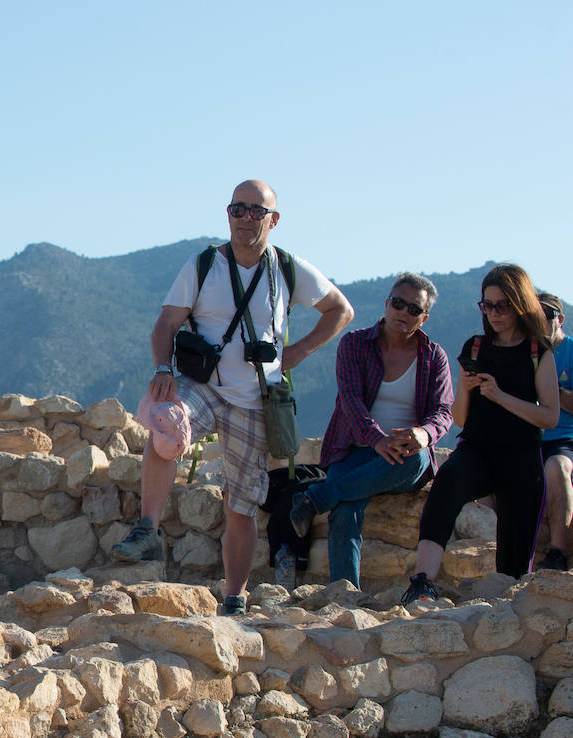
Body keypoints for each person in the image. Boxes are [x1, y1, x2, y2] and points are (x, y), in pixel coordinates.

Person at [109, 180, 354, 616]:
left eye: (256, 212)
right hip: (203, 385)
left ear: (273, 220)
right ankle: (147, 528)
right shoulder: (204, 264)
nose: (245, 219)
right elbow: (165, 325)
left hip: (256, 398)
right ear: (227, 214)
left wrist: (296, 352)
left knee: (240, 504)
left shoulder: (287, 270)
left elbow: (341, 310)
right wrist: (163, 369)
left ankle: (235, 596)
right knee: (164, 420)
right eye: (237, 210)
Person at [401, 265, 559, 602]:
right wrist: (466, 387)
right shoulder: (474, 347)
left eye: (502, 305)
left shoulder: (538, 352)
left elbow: (549, 416)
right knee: (446, 487)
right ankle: (422, 581)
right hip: (477, 449)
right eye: (487, 305)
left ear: (520, 304)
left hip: (522, 457)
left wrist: (500, 396)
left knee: (513, 570)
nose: (494, 313)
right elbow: (459, 418)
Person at [288, 274, 453, 586]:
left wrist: (425, 434)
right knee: (345, 509)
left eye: (413, 309)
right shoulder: (354, 344)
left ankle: (315, 499)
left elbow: (444, 411)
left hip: (405, 456)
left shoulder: (434, 357)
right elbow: (350, 400)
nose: (403, 312)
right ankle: (345, 593)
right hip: (355, 450)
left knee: (417, 460)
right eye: (398, 303)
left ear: (424, 317)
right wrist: (377, 440)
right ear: (386, 303)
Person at [537, 293, 573, 571]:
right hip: (529, 436)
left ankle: (558, 551)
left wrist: (553, 392)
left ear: (560, 319)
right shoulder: (526, 351)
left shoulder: (571, 351)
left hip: (565, 438)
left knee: (556, 467)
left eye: (547, 315)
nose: (540, 320)